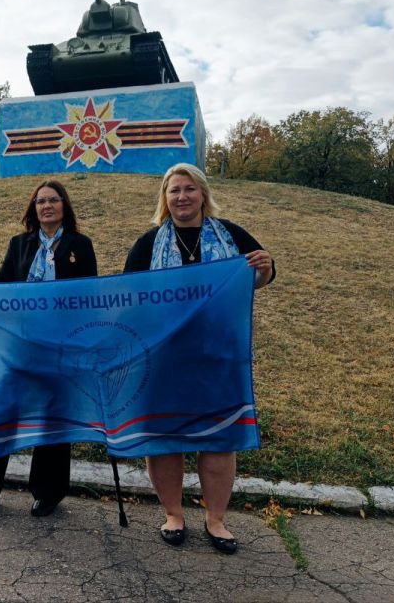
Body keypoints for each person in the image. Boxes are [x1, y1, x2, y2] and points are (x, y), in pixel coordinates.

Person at [123, 163, 275, 554]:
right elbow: (129, 296)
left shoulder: (231, 235)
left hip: (218, 357)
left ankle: (216, 519)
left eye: (189, 189)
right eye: (174, 190)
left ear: (203, 194)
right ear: (165, 198)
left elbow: (258, 279)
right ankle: (173, 514)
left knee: (220, 439)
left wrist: (265, 268)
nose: (182, 197)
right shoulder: (148, 244)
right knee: (165, 439)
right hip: (164, 360)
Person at [0, 179, 97, 519]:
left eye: (53, 200)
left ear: (64, 206)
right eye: (40, 201)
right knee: (1, 413)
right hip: (19, 346)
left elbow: (90, 295)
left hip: (60, 348)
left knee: (52, 418)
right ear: (34, 209)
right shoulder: (20, 244)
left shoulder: (79, 245)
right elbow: (1, 286)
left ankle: (47, 493)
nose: (47, 206)